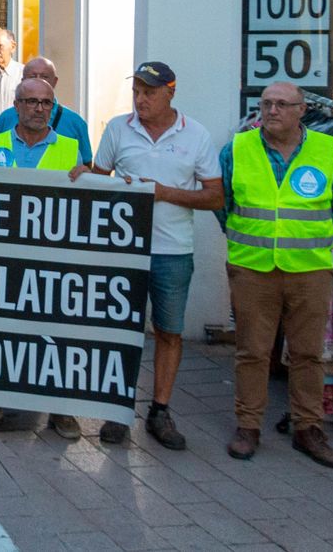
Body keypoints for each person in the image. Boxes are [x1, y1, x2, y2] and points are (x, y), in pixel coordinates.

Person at [70, 61, 223, 449]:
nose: (141, 99)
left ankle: (160, 410)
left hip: (173, 251)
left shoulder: (197, 135)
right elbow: (98, 180)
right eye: (136, 91)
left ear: (171, 92)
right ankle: (118, 411)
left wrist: (165, 192)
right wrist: (81, 174)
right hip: (124, 251)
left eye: (149, 92)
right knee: (123, 332)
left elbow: (215, 196)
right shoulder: (119, 128)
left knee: (169, 332)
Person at [218, 82, 333, 469]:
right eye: (266, 104)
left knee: (309, 353)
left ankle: (308, 427)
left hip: (309, 270)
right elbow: (222, 204)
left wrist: (306, 240)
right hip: (252, 267)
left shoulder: (329, 151)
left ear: (301, 110)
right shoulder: (238, 149)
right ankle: (248, 426)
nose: (272, 110)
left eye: (281, 104)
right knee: (252, 351)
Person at [0, 77, 87, 438]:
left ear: (54, 108)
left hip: (51, 258)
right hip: (1, 257)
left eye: (45, 103)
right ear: (15, 106)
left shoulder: (70, 149)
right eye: (30, 101)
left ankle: (60, 407)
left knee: (54, 332)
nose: (38, 108)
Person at [0, 57, 92, 163]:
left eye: (44, 77)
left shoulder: (75, 123)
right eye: (32, 77)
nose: (38, 80)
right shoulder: (5, 118)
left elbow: (86, 166)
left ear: (55, 81)